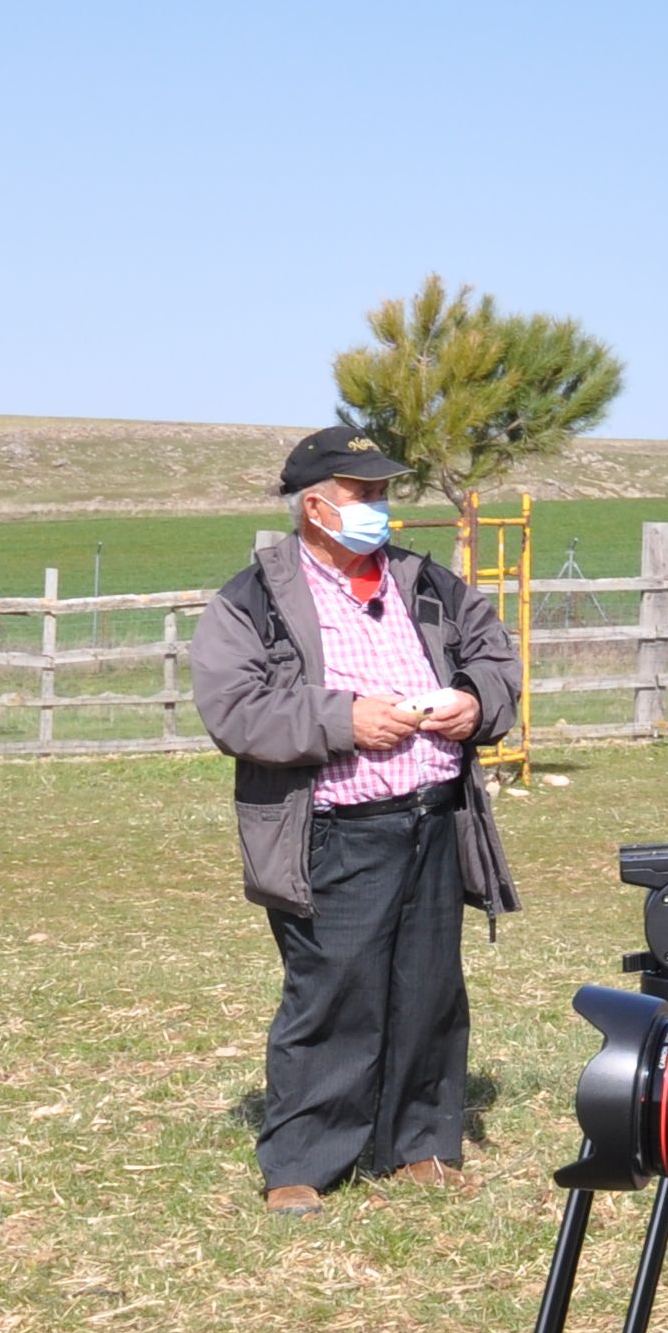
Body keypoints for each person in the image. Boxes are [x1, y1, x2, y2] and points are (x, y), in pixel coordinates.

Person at [193, 425, 523, 1213]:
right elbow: (234, 708)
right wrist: (345, 721)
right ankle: (304, 1160)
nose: (379, 507)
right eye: (362, 494)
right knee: (333, 991)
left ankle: (419, 1146)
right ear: (314, 506)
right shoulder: (255, 600)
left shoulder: (430, 584)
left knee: (428, 989)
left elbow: (496, 660)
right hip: (336, 827)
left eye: (382, 492)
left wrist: (474, 704)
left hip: (433, 816)